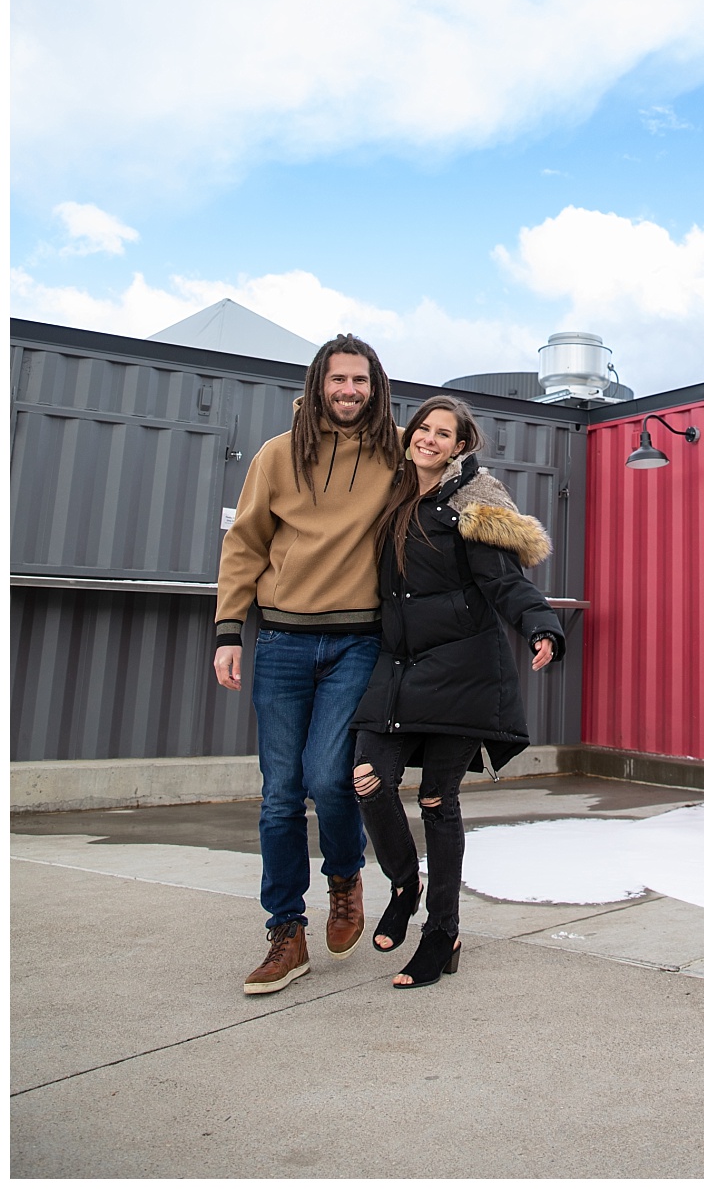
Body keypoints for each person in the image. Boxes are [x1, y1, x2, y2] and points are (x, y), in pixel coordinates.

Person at [350, 395, 565, 988]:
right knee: (367, 778)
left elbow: (505, 582)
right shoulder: (387, 496)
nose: (431, 439)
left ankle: (442, 932)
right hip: (398, 670)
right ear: (410, 433)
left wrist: (541, 625)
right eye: (424, 428)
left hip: (464, 674)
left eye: (445, 434)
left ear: (460, 446)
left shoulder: (469, 507)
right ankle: (403, 882)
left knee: (438, 800)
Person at [213, 334, 401, 995]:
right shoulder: (276, 454)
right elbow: (245, 545)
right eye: (338, 379)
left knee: (331, 778)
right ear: (319, 383)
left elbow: (455, 488)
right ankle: (285, 932)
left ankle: (345, 877)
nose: (349, 391)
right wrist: (228, 630)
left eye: (360, 381)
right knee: (279, 796)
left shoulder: (397, 453)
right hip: (283, 644)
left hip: (358, 642)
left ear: (375, 387)